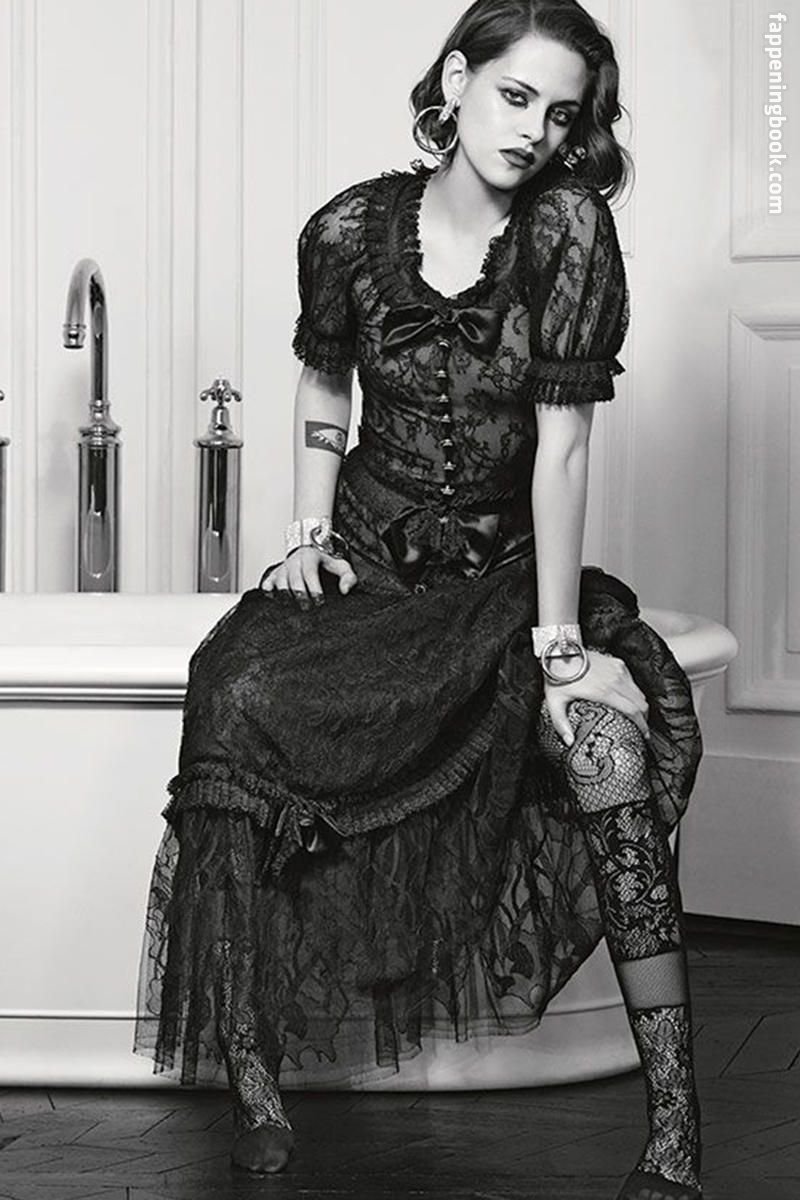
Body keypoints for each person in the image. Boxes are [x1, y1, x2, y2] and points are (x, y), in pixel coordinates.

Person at [133, 2, 705, 1197]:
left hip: (508, 585)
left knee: (604, 749)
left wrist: (559, 641)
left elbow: (562, 447)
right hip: (369, 567)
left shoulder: (566, 230)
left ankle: (672, 1129)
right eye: (514, 96)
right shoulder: (347, 229)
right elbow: (322, 383)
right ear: (455, 80)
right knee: (229, 692)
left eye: (560, 113)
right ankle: (252, 1083)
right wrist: (304, 537)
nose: (534, 130)